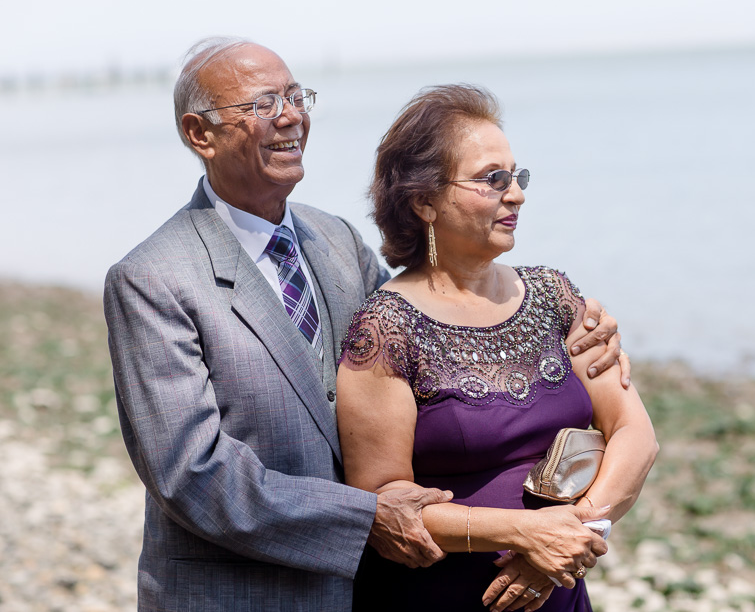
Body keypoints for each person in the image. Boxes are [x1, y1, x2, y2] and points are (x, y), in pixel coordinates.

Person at [103, 39, 627, 611]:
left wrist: (567, 327)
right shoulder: (152, 278)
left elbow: (431, 334)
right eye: (262, 104)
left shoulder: (336, 241)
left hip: (368, 591)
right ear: (199, 134)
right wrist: (368, 515)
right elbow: (193, 474)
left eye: (296, 95)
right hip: (239, 593)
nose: (291, 115)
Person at [336, 84, 658, 612]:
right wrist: (526, 533)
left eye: (517, 176)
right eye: (493, 179)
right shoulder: (385, 327)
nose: (517, 194)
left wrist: (572, 534)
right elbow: (384, 505)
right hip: (441, 596)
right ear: (424, 201)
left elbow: (634, 432)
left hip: (556, 585)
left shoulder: (555, 295)